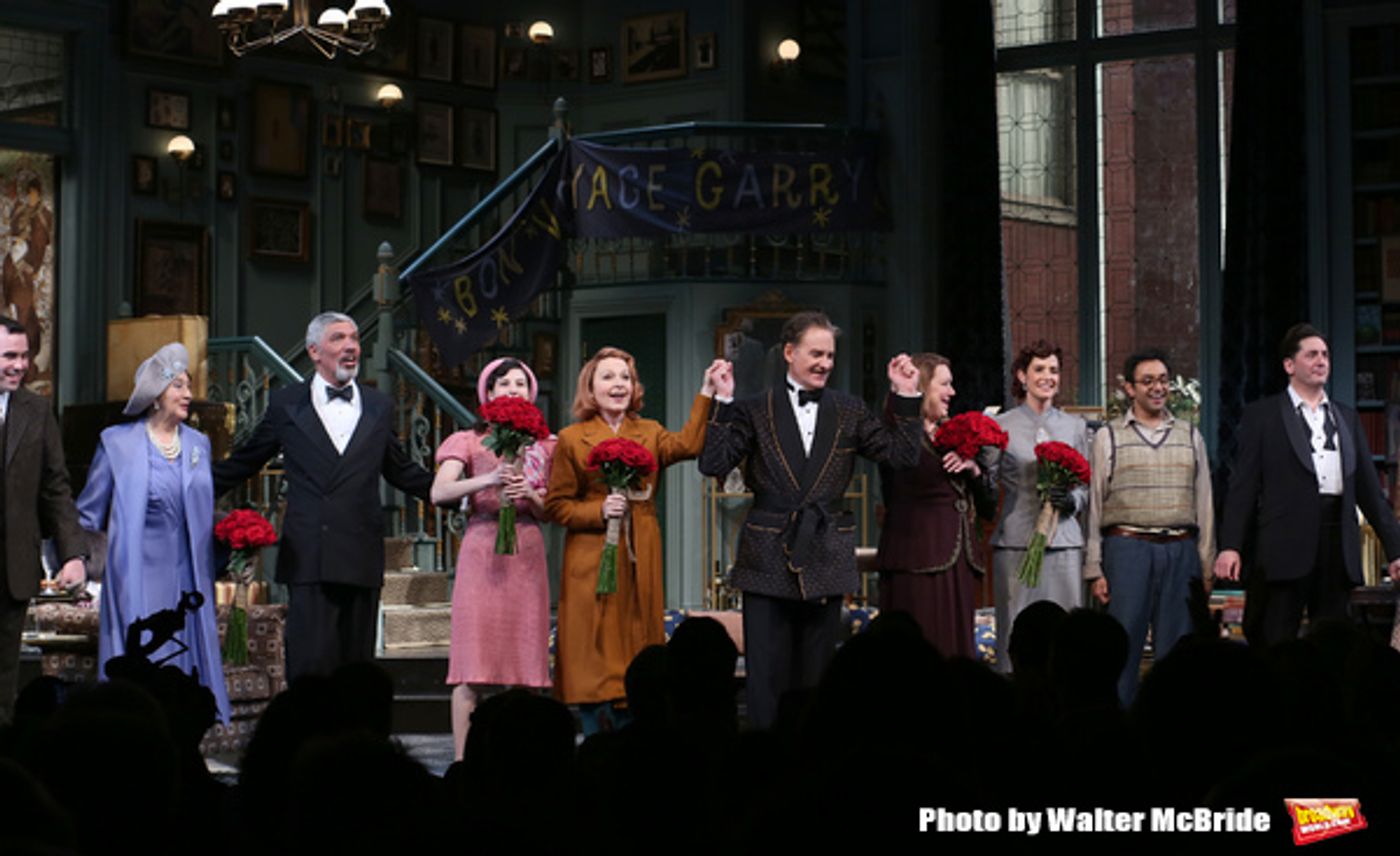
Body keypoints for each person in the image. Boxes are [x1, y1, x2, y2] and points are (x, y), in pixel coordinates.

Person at [698, 311, 924, 729]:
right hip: (766, 552)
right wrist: (722, 402)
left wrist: (907, 396)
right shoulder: (753, 408)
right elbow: (712, 462)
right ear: (789, 352)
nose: (824, 363)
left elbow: (903, 456)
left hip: (825, 551)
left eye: (830, 356)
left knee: (818, 673)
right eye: (816, 353)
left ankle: (816, 758)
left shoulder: (849, 409)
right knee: (765, 672)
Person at [213, 311, 433, 682]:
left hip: (360, 554)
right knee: (311, 669)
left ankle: (356, 740)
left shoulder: (378, 405)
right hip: (311, 555)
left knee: (356, 672)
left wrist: (464, 494)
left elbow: (401, 470)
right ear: (314, 351)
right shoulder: (287, 404)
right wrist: (179, 488)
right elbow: (244, 462)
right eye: (338, 339)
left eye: (354, 338)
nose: (350, 347)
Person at [545, 347, 723, 734]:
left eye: (625, 377)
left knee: (635, 633)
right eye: (608, 377)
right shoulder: (572, 438)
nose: (618, 384)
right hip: (590, 555)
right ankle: (594, 731)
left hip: (640, 546)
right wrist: (597, 512)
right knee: (593, 639)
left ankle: (636, 724)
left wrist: (707, 390)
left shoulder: (650, 432)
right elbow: (556, 506)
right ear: (590, 387)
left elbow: (690, 445)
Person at [1216, 323, 1400, 646]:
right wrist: (1230, 545)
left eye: (1325, 355)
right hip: (1284, 546)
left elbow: (1370, 492)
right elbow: (1243, 487)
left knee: (1332, 646)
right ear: (1290, 365)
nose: (1321, 361)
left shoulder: (1346, 417)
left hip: (1336, 546)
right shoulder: (1263, 416)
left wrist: (1396, 551)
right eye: (1311, 354)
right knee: (1276, 643)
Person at [76, 342, 230, 722]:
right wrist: (79, 563)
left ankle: (186, 731)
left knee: (185, 650)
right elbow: (88, 512)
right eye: (178, 385)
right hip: (135, 572)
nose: (188, 394)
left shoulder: (198, 444)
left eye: (189, 385)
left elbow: (201, 512)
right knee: (142, 651)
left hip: (187, 570)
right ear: (156, 396)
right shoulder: (117, 442)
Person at [431, 358, 555, 760]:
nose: (514, 389)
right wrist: (490, 479)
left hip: (526, 549)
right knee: (472, 666)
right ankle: (464, 762)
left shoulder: (548, 444)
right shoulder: (466, 440)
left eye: (522, 383)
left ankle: (524, 758)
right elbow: (440, 492)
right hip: (482, 546)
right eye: (505, 383)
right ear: (488, 392)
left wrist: (531, 494)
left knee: (525, 667)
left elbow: (552, 509)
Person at [1084, 348, 1215, 705]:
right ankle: (1119, 728)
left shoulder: (1190, 436)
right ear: (1129, 388)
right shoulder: (1108, 437)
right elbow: (1094, 506)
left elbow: (1204, 504)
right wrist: (1095, 568)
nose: (1157, 388)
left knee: (1178, 650)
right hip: (1127, 550)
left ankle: (1172, 728)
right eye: (1147, 381)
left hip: (1180, 549)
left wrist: (1205, 564)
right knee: (1122, 645)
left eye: (1163, 380)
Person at [875, 353, 994, 660]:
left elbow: (988, 502)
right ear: (922, 386)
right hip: (917, 556)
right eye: (944, 384)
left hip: (956, 561)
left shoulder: (953, 432)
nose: (952, 392)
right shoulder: (896, 426)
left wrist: (973, 468)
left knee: (955, 652)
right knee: (921, 650)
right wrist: (903, 392)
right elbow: (902, 461)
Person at [0, 316, 84, 723]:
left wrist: (72, 553)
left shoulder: (36, 411)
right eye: (9, 356)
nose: (19, 365)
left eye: (24, 356)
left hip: (11, 569)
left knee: (3, 684)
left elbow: (56, 487)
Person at [987, 340, 1089, 673]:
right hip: (1017, 541)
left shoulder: (1076, 426)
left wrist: (1071, 500)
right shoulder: (1001, 425)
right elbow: (987, 481)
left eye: (1054, 370)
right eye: (1040, 369)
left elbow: (1086, 487)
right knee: (1015, 630)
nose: (1048, 377)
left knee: (1068, 637)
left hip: (1065, 543)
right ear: (1022, 375)